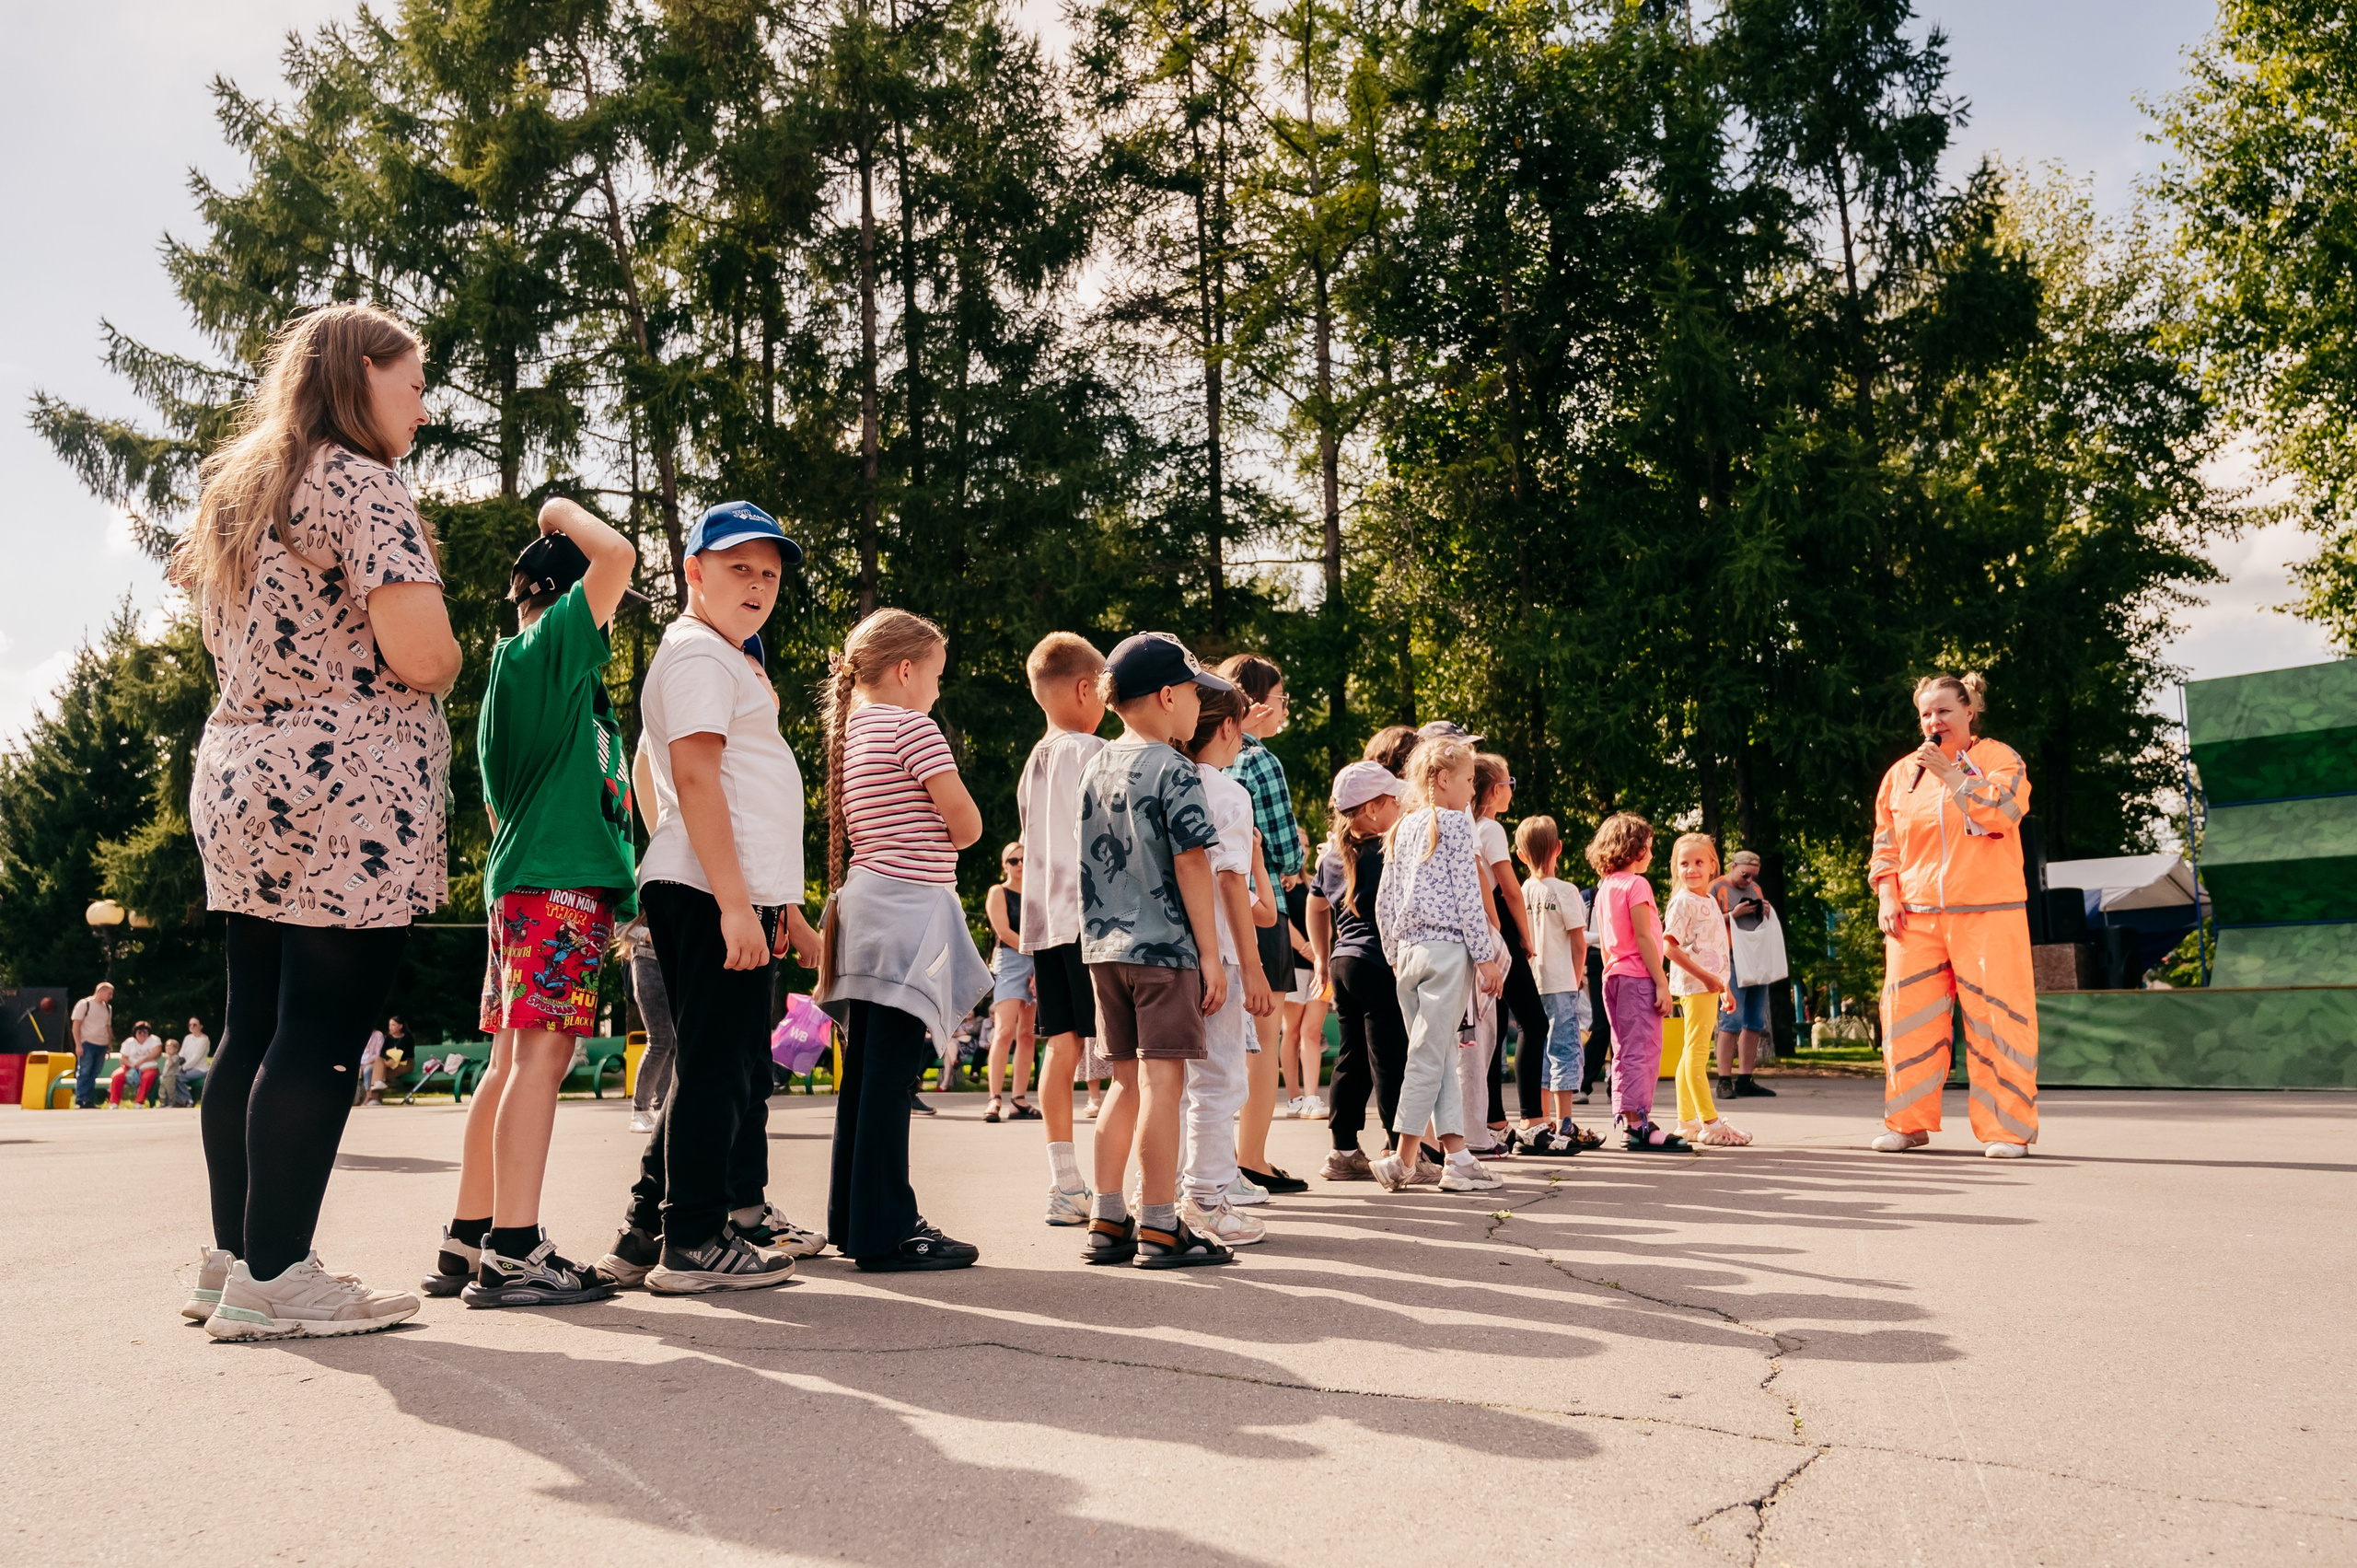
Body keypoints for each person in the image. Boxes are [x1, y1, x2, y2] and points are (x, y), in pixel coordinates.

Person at [177, 304, 456, 1339]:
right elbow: (423, 654)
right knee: (326, 1033)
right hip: (347, 787)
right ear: (360, 378)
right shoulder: (361, 482)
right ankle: (279, 1273)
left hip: (245, 773)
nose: (422, 406)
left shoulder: (244, 492)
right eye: (412, 382)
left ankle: (233, 1259)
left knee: (255, 1021)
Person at [418, 497, 644, 1309]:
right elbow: (615, 555)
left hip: (531, 884)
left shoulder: (547, 676)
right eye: (603, 608)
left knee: (515, 1061)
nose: (613, 622)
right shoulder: (544, 650)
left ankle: (471, 1232)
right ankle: (515, 1249)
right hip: (552, 888)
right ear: (569, 598)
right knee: (543, 1059)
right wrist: (559, 513)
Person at [597, 500, 819, 1295]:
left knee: (708, 1065)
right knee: (719, 1068)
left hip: (721, 884)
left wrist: (778, 907)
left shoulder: (723, 655)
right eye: (738, 568)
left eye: (769, 572)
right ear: (693, 571)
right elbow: (688, 778)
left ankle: (643, 1230)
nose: (758, 584)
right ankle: (691, 1238)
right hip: (708, 885)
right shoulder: (698, 655)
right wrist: (733, 903)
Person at [816, 608, 990, 1272]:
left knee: (864, 1074)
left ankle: (853, 1215)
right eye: (937, 675)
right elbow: (966, 823)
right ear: (906, 669)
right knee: (890, 1077)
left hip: (864, 914)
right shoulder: (914, 728)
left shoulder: (853, 731)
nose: (939, 690)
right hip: (906, 917)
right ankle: (888, 1228)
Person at [1077, 633, 1237, 1269]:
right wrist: (1211, 955)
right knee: (1164, 1081)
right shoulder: (1174, 768)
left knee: (1123, 1081)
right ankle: (1163, 1226)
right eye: (1197, 694)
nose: (1199, 708)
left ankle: (1107, 1215)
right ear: (1168, 695)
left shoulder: (1097, 763)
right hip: (1163, 947)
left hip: (1104, 948)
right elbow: (1193, 861)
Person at [1870, 672, 2038, 1158]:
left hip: (1989, 911)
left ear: (1969, 711)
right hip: (1915, 916)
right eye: (1925, 713)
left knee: (1998, 1019)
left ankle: (2007, 1131)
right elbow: (1886, 844)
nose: (1933, 720)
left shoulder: (2000, 759)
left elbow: (2003, 812)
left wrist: (1950, 773)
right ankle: (1907, 1122)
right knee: (1905, 1019)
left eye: (1943, 710)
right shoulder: (1900, 774)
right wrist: (1887, 895)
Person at [1370, 736, 1506, 1193]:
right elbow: (1469, 897)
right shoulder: (1453, 824)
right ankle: (1403, 1158)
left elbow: (1383, 901)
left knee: (1439, 1054)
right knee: (1430, 1055)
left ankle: (1458, 1158)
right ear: (1443, 779)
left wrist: (1393, 953)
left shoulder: (1402, 828)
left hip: (1407, 955)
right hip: (1447, 952)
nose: (1473, 790)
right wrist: (1485, 957)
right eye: (1469, 780)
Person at [1176, 682, 1279, 1246]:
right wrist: (1252, 966)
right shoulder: (1228, 794)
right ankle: (1209, 1196)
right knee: (1220, 1080)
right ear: (1226, 729)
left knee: (1167, 1082)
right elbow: (1231, 880)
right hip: (1215, 954)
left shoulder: (1160, 780)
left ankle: (1159, 1193)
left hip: (1162, 954)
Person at [1015, 632, 1109, 1223]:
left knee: (1062, 1047)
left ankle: (1064, 1182)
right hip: (1091, 920)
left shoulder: (1034, 762)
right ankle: (1133, 1182)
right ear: (1083, 688)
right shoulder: (1092, 750)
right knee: (1122, 1051)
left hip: (1046, 921)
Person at [1216, 655, 1307, 1199]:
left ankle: (1222, 1157)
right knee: (1264, 1037)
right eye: (1281, 696)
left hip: (1218, 906)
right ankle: (1251, 1159)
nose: (1283, 707)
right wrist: (1292, 864)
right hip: (1263, 900)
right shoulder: (1261, 760)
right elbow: (1285, 845)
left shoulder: (1199, 756)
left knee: (1229, 1036)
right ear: (1256, 702)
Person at [1308, 761, 1411, 1181]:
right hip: (1378, 961)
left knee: (1352, 1058)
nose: (1401, 809)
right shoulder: (1388, 850)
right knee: (1390, 1057)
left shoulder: (1333, 853)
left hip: (1343, 962)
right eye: (1394, 802)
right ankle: (1401, 1151)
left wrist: (1320, 956)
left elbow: (1316, 905)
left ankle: (1342, 1150)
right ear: (1372, 807)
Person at [1585, 813, 1688, 1153]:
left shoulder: (1605, 887)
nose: (1652, 854)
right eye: (1649, 847)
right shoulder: (1636, 885)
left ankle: (1631, 1118)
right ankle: (1639, 1124)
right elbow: (1644, 937)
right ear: (1635, 849)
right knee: (1643, 1050)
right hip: (1638, 976)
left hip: (1613, 975)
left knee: (1624, 1050)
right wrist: (1662, 981)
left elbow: (1606, 939)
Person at [1466, 753, 1550, 1156]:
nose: (1511, 791)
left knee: (1495, 1028)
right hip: (1499, 932)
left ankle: (1495, 1119)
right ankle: (1533, 1118)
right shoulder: (1492, 829)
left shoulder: (1463, 824)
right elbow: (1511, 889)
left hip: (1475, 933)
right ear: (1495, 790)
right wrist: (1526, 936)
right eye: (1509, 783)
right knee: (1534, 1021)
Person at [1663, 833, 1750, 1147]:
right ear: (1675, 868)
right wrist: (1708, 980)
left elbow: (1714, 949)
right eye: (1683, 863)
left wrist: (1723, 986)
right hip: (1696, 986)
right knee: (1698, 1053)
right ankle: (1710, 1123)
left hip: (1709, 985)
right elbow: (1669, 948)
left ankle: (1687, 1122)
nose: (1691, 869)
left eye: (1699, 862)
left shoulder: (1709, 900)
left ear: (1714, 865)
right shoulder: (1683, 901)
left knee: (1690, 1052)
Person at [1513, 816, 1587, 1153]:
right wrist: (1575, 978)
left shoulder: (1520, 891)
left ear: (1520, 855)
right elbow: (1578, 941)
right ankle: (1566, 1118)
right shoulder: (1566, 891)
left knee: (1538, 1050)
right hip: (1560, 980)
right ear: (1558, 848)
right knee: (1565, 1049)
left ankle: (1542, 1120)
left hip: (1531, 981)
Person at [1709, 851, 1782, 1100]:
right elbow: (1704, 923)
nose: (1748, 880)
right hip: (1730, 958)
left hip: (1755, 956)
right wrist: (1733, 915)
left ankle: (1745, 1079)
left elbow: (1760, 920)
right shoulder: (1716, 887)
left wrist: (1765, 910)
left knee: (1754, 1022)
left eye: (1753, 876)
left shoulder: (1756, 889)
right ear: (1733, 866)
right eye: (1745, 874)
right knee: (1731, 1021)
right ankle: (1724, 1080)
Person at [982, 843, 1039, 1123]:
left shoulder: (1037, 892)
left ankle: (1019, 1100)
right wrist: (1033, 952)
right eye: (1013, 860)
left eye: (1023, 858)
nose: (1019, 864)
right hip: (1010, 959)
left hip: (1036, 963)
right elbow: (1003, 932)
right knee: (1004, 1031)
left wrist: (1040, 966)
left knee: (1028, 1034)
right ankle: (994, 1098)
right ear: (1004, 865)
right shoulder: (998, 892)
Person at [1280, 825, 1328, 1119]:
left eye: (1307, 845)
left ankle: (1312, 1098)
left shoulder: (1314, 884)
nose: (1304, 849)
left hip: (1321, 968)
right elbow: (1282, 921)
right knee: (1292, 1032)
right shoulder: (1282, 884)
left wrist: (1323, 955)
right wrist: (1306, 949)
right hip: (1294, 965)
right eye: (1298, 843)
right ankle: (1295, 1097)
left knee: (1312, 1031)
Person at [619, 912, 675, 1133]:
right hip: (648, 961)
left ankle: (662, 1108)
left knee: (673, 1042)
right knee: (660, 1040)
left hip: (674, 963)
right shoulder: (640, 883)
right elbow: (621, 928)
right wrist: (650, 935)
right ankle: (640, 1111)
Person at [70, 981, 114, 1109]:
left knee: (94, 1073)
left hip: (102, 1044)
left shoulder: (107, 1008)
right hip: (87, 1043)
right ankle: (80, 1100)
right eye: (109, 993)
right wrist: (78, 1044)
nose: (111, 997)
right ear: (101, 991)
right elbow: (76, 1026)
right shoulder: (85, 1004)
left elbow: (108, 1027)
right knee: (84, 1071)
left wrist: (109, 1045)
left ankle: (88, 1100)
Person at [110, 1021, 161, 1107]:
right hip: (131, 1068)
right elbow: (123, 1059)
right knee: (116, 1076)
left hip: (149, 1068)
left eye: (145, 1032)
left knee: (146, 1078)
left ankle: (139, 1102)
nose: (142, 1034)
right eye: (139, 1032)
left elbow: (157, 1053)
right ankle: (114, 1103)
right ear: (135, 1033)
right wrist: (131, 1065)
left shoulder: (154, 1040)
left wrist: (141, 1061)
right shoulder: (129, 1042)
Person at [172, 1018, 212, 1107]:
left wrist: (183, 1067)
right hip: (187, 1067)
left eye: (194, 1025)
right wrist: (177, 1062)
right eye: (190, 1025)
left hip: (200, 1069)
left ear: (201, 1026)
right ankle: (181, 1101)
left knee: (178, 1077)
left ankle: (188, 1100)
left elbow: (196, 1057)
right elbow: (182, 1053)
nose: (192, 1027)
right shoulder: (188, 1038)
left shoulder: (204, 1040)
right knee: (174, 1075)